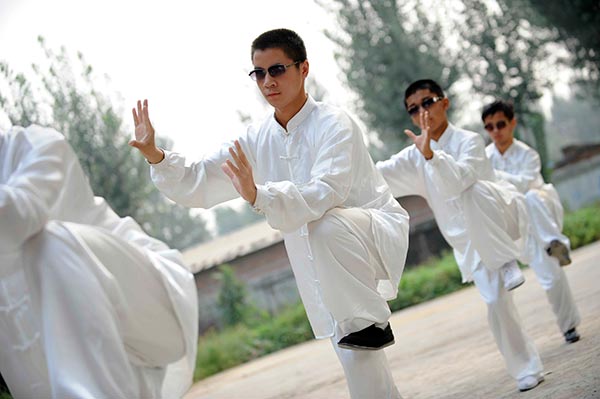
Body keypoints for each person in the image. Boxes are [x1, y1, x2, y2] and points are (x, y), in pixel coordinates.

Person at [130, 28, 409, 399]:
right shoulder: (256, 139)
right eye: (258, 73)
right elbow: (199, 180)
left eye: (276, 69)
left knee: (327, 237)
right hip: (322, 260)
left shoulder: (334, 124)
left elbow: (327, 192)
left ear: (304, 68)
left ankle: (366, 322)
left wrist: (259, 195)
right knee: (354, 352)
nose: (267, 81)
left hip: (367, 236)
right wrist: (155, 155)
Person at [0, 124, 198, 398]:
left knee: (49, 243)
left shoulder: (37, 144)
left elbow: (19, 217)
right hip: (64, 356)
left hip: (153, 312)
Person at [376, 79, 544, 392]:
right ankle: (526, 368)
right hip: (469, 244)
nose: (422, 112)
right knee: (496, 303)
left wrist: (432, 157)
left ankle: (507, 260)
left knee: (473, 190)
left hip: (501, 221)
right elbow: (375, 174)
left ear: (444, 102)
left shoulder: (469, 141)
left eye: (427, 102)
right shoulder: (414, 155)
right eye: (413, 109)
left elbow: (457, 183)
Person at [482, 99, 581, 344]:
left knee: (552, 275)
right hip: (511, 225)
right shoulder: (484, 157)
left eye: (500, 124)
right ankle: (556, 243)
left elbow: (524, 184)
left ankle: (569, 326)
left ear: (512, 123)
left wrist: (495, 177)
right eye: (489, 127)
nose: (496, 131)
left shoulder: (528, 154)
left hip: (539, 222)